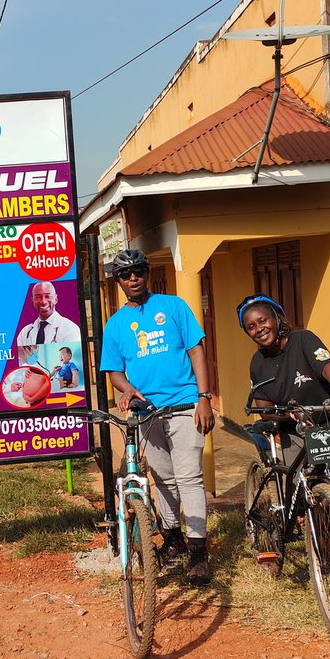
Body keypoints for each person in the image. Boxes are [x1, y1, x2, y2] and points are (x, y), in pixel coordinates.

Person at [99, 249, 216, 586]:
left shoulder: (174, 307)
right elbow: (115, 372)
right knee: (164, 479)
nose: (133, 278)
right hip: (146, 414)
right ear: (118, 281)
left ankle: (198, 554)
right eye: (125, 274)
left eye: (138, 271)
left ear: (147, 274)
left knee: (189, 477)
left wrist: (204, 398)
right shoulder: (115, 324)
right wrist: (127, 389)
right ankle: (174, 537)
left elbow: (196, 351)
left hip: (184, 406)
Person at [237, 294, 330, 489]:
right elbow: (265, 410)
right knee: (300, 493)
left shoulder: (304, 339)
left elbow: (329, 369)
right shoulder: (258, 363)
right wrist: (286, 414)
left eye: (263, 321)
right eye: (251, 327)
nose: (259, 329)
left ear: (277, 318)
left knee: (327, 487)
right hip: (293, 433)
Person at [16, 282, 79, 348]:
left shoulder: (70, 329)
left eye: (47, 296)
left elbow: (72, 357)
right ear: (32, 301)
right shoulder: (24, 333)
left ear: (56, 299)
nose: (43, 301)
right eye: (38, 297)